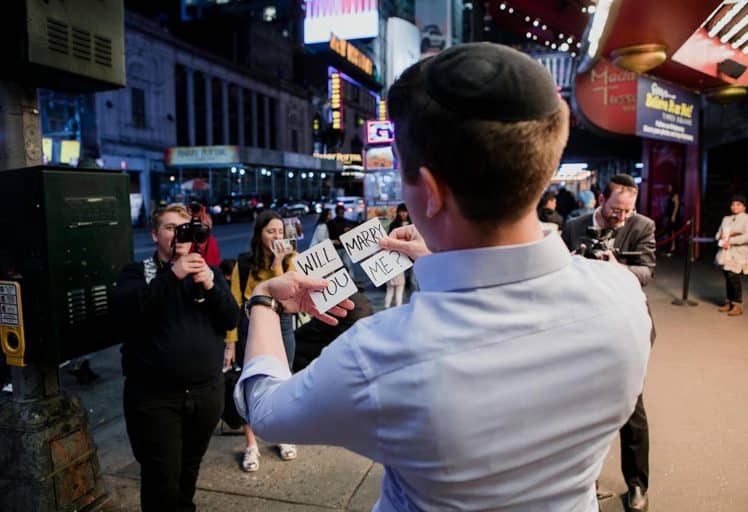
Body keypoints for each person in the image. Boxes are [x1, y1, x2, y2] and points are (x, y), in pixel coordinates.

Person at [233, 43, 651, 511]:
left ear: (430, 191)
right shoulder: (622, 298)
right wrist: (443, 250)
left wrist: (265, 303)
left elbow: (266, 411)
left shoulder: (383, 354)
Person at [114, 203, 239, 512]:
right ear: (155, 234)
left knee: (188, 470)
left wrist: (209, 283)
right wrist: (173, 274)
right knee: (161, 478)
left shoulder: (204, 271)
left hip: (205, 392)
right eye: (170, 228)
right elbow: (129, 313)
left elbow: (230, 318)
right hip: (155, 398)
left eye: (184, 228)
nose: (178, 235)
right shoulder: (137, 273)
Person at [562, 173, 656, 512]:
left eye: (628, 211)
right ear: (602, 199)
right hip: (583, 324)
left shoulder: (642, 225)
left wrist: (618, 268)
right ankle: (587, 482)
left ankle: (637, 485)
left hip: (626, 325)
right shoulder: (575, 224)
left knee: (631, 408)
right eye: (616, 209)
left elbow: (648, 271)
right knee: (582, 408)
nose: (622, 217)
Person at [224, 210, 299, 471]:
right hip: (250, 324)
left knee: (283, 379)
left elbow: (289, 294)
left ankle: (282, 436)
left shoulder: (291, 260)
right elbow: (234, 304)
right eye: (270, 231)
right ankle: (251, 444)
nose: (276, 236)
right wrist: (231, 342)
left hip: (283, 323)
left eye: (280, 231)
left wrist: (279, 261)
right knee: (250, 380)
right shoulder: (244, 263)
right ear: (259, 234)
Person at [715, 194, 748, 316]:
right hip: (726, 252)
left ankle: (738, 304)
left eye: (738, 204)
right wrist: (721, 238)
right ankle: (729, 302)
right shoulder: (726, 219)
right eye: (733, 204)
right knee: (727, 276)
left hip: (740, 253)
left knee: (734, 276)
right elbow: (718, 234)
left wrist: (731, 240)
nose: (734, 207)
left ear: (744, 206)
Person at [385, 204, 411, 307]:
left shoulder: (413, 224)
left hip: (411, 257)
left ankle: (390, 307)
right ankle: (397, 307)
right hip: (398, 257)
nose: (403, 214)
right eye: (401, 211)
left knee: (411, 282)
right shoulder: (393, 224)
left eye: (405, 211)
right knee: (398, 286)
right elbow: (389, 240)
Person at [663, 184, 681, 257]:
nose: (668, 188)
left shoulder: (675, 195)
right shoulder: (670, 195)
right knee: (670, 232)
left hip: (674, 216)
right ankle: (671, 247)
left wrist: (674, 215)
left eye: (670, 187)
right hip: (670, 215)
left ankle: (673, 247)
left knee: (673, 231)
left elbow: (677, 205)